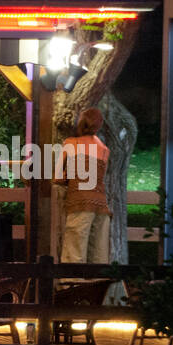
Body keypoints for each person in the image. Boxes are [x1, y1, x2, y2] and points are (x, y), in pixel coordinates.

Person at [59, 107, 112, 264]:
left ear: (80, 123)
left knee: (74, 254)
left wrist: (70, 175)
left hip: (80, 203)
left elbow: (57, 177)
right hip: (101, 205)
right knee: (99, 257)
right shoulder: (104, 150)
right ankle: (97, 287)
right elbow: (99, 178)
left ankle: (73, 287)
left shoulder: (70, 143)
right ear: (99, 126)